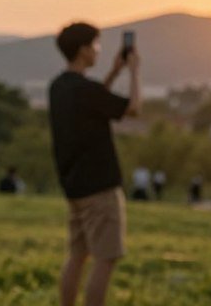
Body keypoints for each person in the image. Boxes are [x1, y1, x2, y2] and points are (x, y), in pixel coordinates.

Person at [48, 22, 142, 306]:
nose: (98, 51)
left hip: (74, 185)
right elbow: (133, 108)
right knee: (105, 259)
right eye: (96, 45)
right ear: (83, 50)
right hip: (100, 185)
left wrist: (114, 72)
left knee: (77, 255)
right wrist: (135, 71)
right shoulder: (86, 89)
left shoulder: (59, 86)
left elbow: (94, 98)